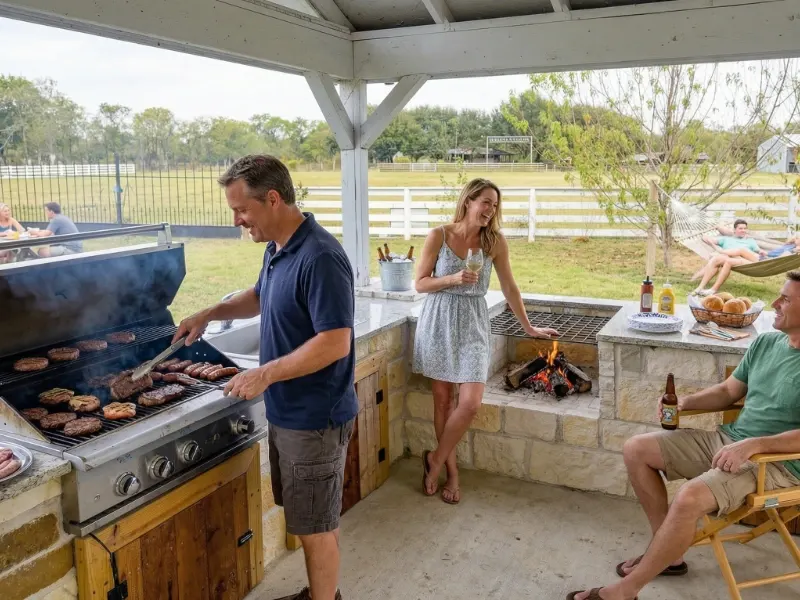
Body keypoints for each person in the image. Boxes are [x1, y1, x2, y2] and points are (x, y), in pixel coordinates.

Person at [173, 155, 355, 600]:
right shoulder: (277, 248)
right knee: (310, 519)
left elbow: (336, 342)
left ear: (272, 199)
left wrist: (265, 374)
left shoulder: (320, 256)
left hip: (315, 417)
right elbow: (259, 296)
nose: (237, 221)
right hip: (290, 411)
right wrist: (210, 312)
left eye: (242, 210)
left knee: (315, 529)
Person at [567, 271, 800, 600]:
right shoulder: (766, 343)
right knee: (637, 449)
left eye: (785, 299)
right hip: (731, 442)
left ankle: (624, 592)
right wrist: (685, 403)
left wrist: (755, 445)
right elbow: (728, 391)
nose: (775, 303)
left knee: (689, 497)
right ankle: (667, 554)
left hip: (777, 464)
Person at [413, 178, 559, 504]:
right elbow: (420, 283)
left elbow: (509, 287)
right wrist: (453, 278)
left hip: (473, 323)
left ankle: (434, 459)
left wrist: (529, 327)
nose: (491, 210)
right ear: (468, 201)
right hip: (439, 320)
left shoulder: (494, 242)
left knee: (470, 403)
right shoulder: (439, 235)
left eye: (495, 205)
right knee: (443, 401)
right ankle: (451, 472)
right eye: (486, 203)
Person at [692, 219, 766, 295]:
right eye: (740, 228)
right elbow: (706, 238)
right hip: (731, 259)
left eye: (745, 228)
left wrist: (761, 252)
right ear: (734, 230)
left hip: (748, 261)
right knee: (717, 259)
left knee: (732, 253)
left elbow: (758, 251)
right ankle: (700, 288)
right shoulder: (726, 239)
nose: (743, 230)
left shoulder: (750, 241)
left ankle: (711, 289)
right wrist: (707, 238)